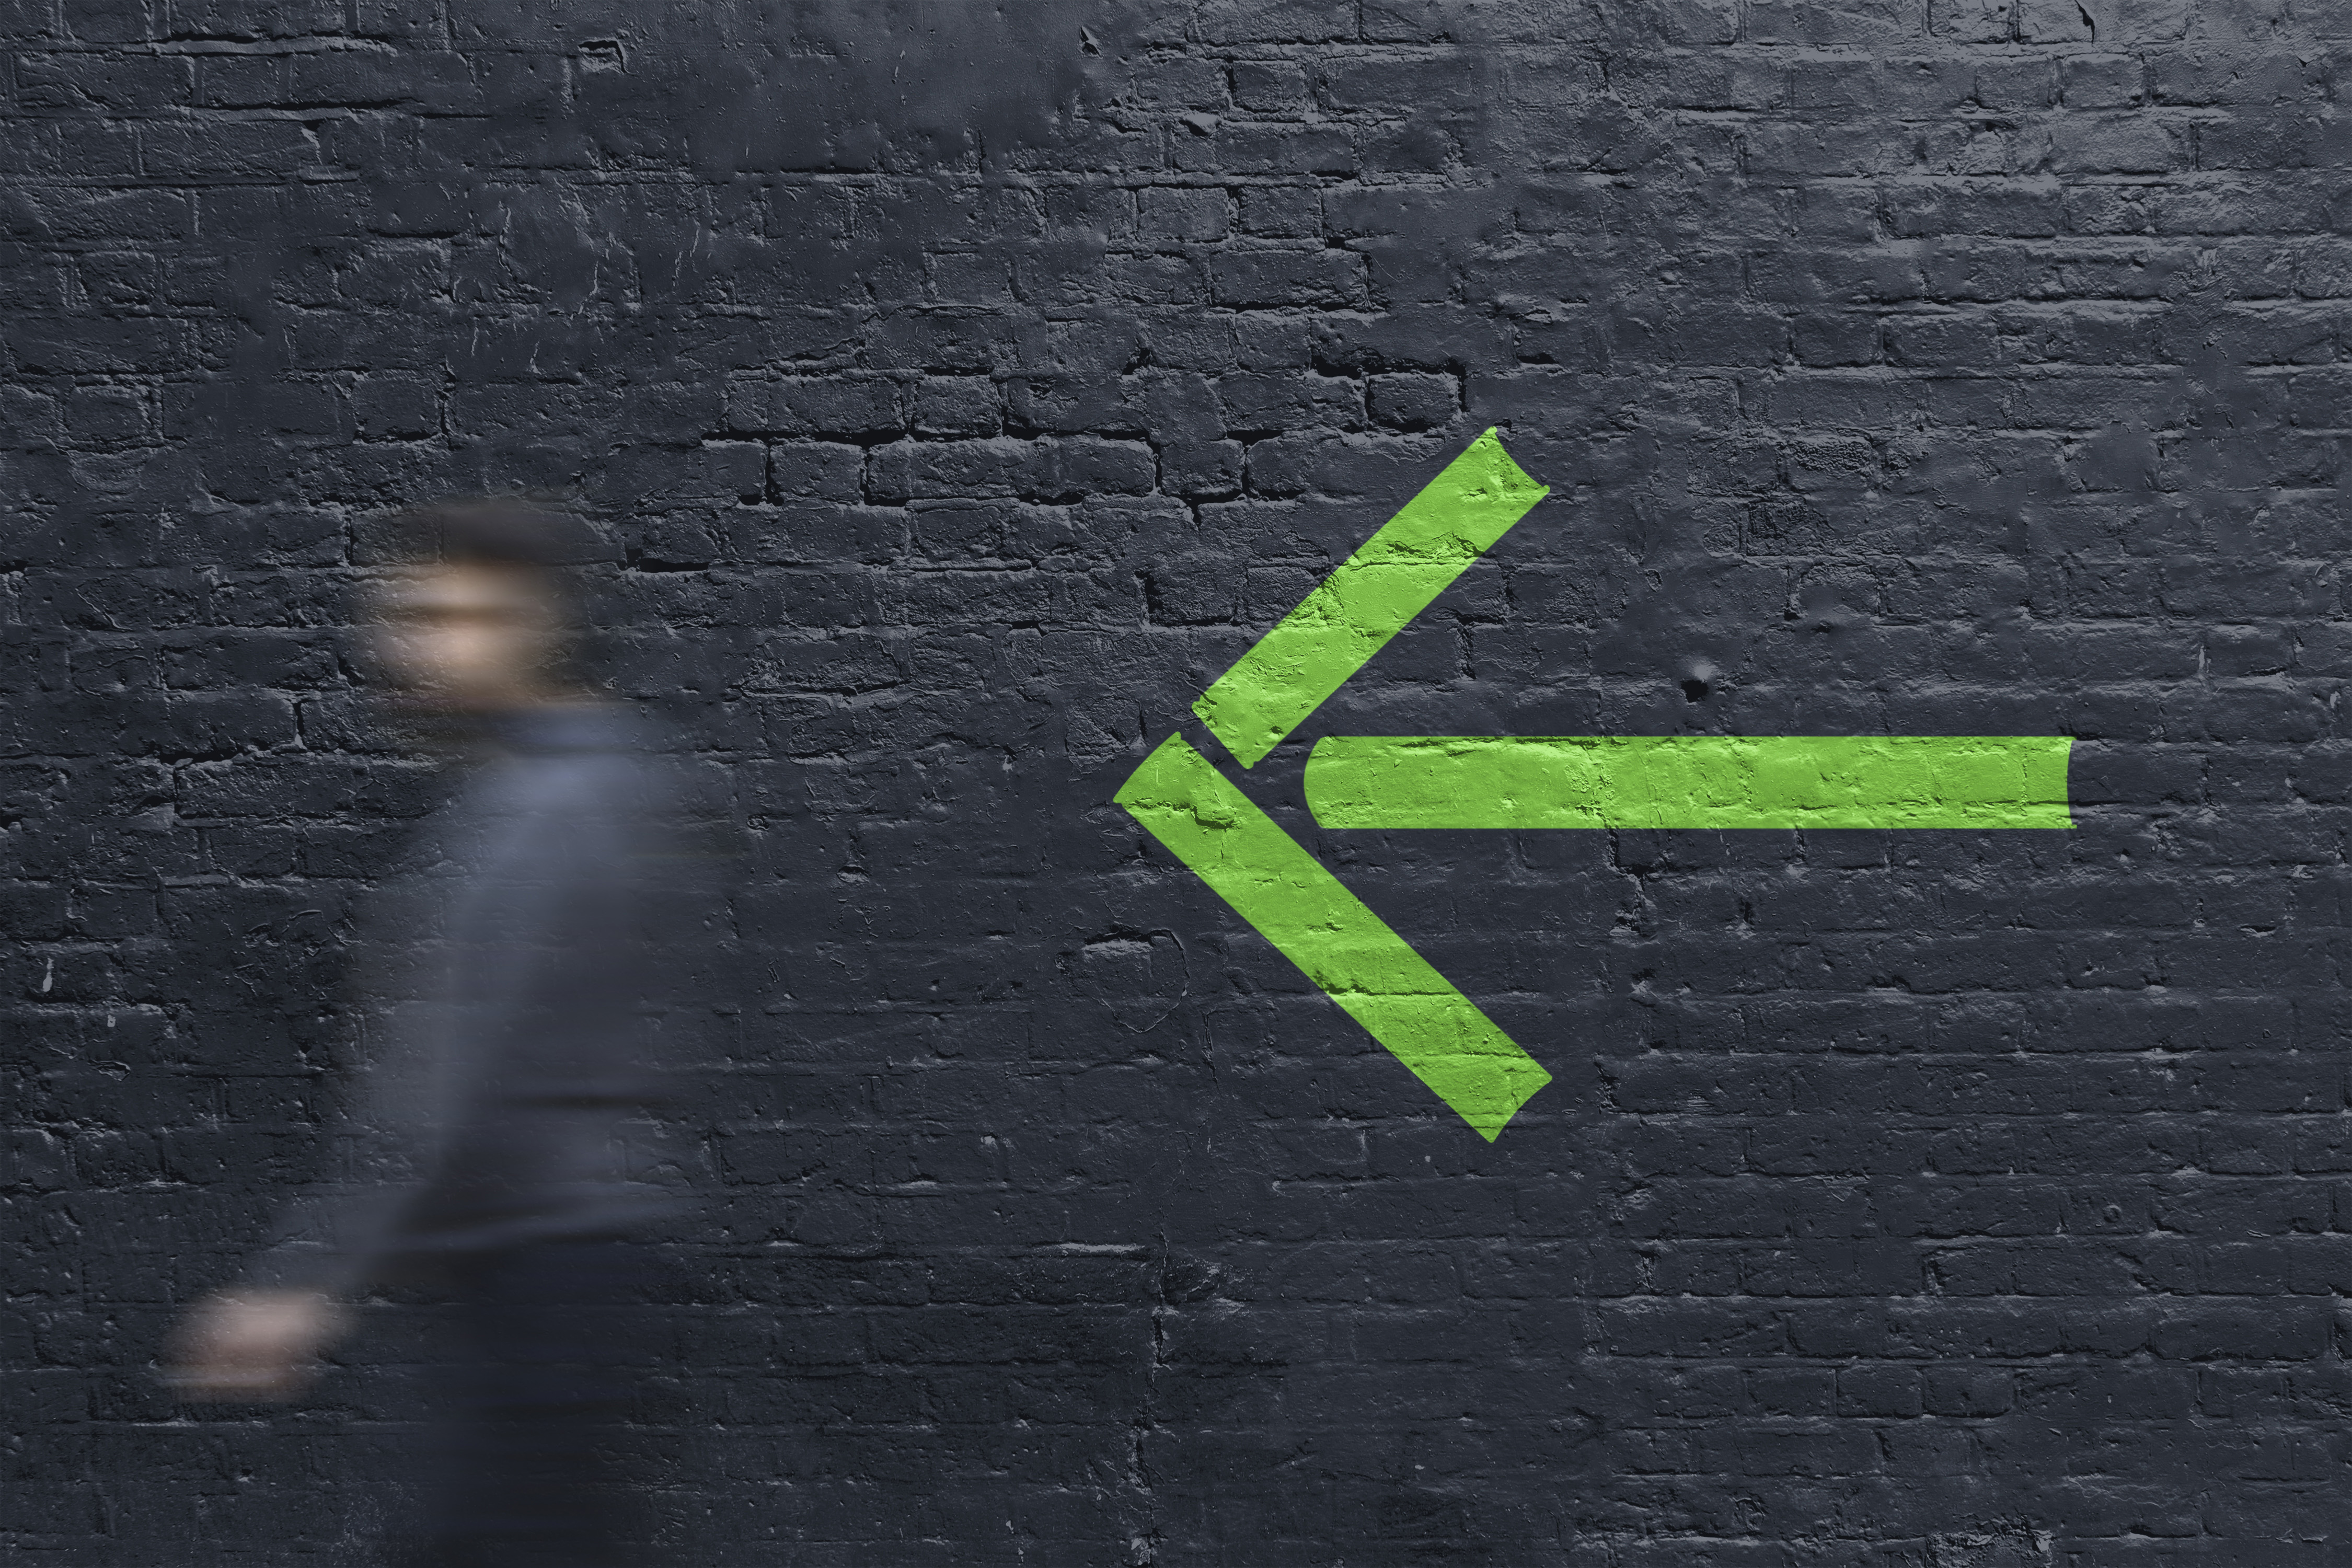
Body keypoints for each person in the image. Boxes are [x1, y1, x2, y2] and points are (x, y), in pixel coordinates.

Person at [164, 499, 700, 1567]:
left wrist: (306, 1277)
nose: (415, 647)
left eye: (458, 617)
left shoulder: (553, 806)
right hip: (547, 1274)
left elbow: (449, 1076)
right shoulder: (573, 784)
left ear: (541, 627)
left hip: (552, 1274)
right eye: (404, 615)